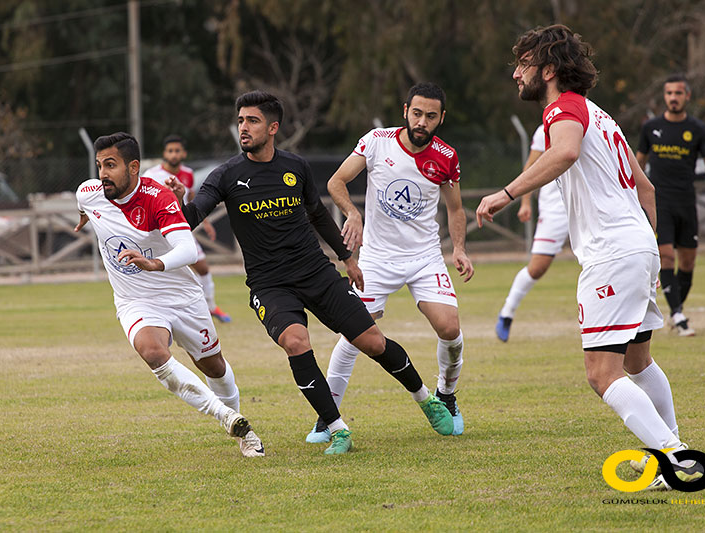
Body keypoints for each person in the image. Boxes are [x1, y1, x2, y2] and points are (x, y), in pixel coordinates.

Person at [476, 25, 703, 491]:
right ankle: (671, 448)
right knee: (638, 362)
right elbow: (647, 188)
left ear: (550, 69)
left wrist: (506, 192)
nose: (516, 74)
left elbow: (564, 152)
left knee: (602, 374)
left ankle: (676, 459)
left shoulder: (564, 107)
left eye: (523, 64)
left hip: (611, 254)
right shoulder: (601, 115)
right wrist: (651, 251)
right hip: (634, 247)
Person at [167, 90, 454, 455]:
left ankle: (425, 398)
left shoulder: (295, 167)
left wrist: (348, 258)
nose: (243, 127)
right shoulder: (226, 175)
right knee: (296, 342)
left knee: (374, 342)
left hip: (317, 273)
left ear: (273, 128)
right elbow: (190, 218)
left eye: (252, 121)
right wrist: (178, 201)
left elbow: (317, 214)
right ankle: (337, 429)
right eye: (240, 120)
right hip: (269, 284)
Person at [73, 132, 264, 458]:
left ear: (133, 167)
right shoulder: (90, 193)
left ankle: (240, 424)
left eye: (111, 165)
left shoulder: (157, 197)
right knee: (152, 351)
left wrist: (154, 263)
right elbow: (83, 203)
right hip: (135, 301)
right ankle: (227, 417)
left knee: (213, 366)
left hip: (182, 297)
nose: (103, 173)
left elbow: (188, 249)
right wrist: (83, 216)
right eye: (99, 165)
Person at [304, 82, 474, 443]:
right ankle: (327, 417)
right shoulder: (377, 141)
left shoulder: (447, 157)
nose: (422, 121)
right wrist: (352, 213)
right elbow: (337, 181)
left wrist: (458, 248)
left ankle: (447, 395)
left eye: (430, 116)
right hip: (377, 259)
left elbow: (456, 209)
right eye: (417, 113)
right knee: (353, 332)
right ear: (405, 110)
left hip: (424, 256)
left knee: (450, 328)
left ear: (441, 118)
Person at [635, 74, 705, 337]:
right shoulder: (651, 128)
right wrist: (630, 190)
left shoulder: (698, 129)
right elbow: (638, 163)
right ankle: (677, 315)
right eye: (669, 93)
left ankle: (677, 309)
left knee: (687, 262)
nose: (673, 98)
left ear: (687, 96)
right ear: (664, 97)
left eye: (678, 93)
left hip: (686, 202)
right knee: (667, 257)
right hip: (660, 201)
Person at [143, 135, 232, 323]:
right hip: (160, 232)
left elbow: (191, 198)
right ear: (164, 153)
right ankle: (165, 311)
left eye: (177, 150)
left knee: (203, 267)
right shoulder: (151, 175)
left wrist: (205, 222)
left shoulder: (188, 173)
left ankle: (211, 306)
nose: (173, 154)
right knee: (166, 272)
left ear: (183, 153)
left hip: (181, 229)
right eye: (170, 151)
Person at [495, 124, 569, 342]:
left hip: (586, 203)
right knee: (537, 268)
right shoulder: (544, 129)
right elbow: (531, 168)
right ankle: (507, 313)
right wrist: (525, 202)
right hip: (555, 206)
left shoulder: (592, 120)